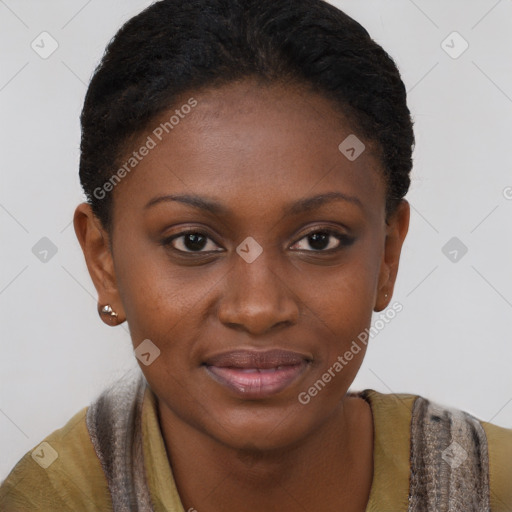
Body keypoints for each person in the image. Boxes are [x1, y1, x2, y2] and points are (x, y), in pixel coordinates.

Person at [1, 0, 510, 510]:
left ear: (387, 256)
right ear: (103, 259)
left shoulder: (493, 488)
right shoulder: (47, 499)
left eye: (319, 240)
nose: (259, 308)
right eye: (193, 241)